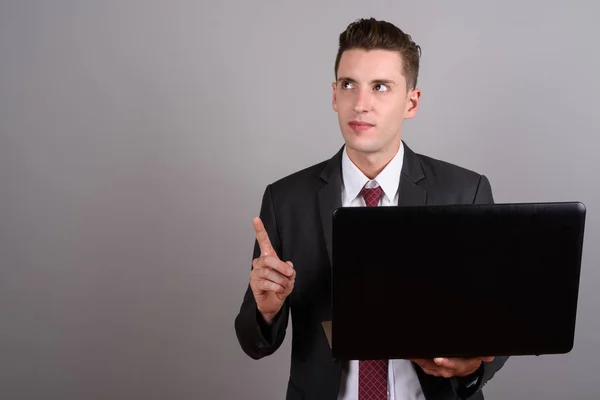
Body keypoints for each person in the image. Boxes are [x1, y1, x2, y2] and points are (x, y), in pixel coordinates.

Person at [234, 17, 508, 400]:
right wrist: (266, 310)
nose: (360, 104)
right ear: (334, 96)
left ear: (411, 102)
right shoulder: (285, 200)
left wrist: (473, 367)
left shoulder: (465, 191)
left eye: (380, 87)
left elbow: (498, 324)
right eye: (349, 85)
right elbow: (254, 341)